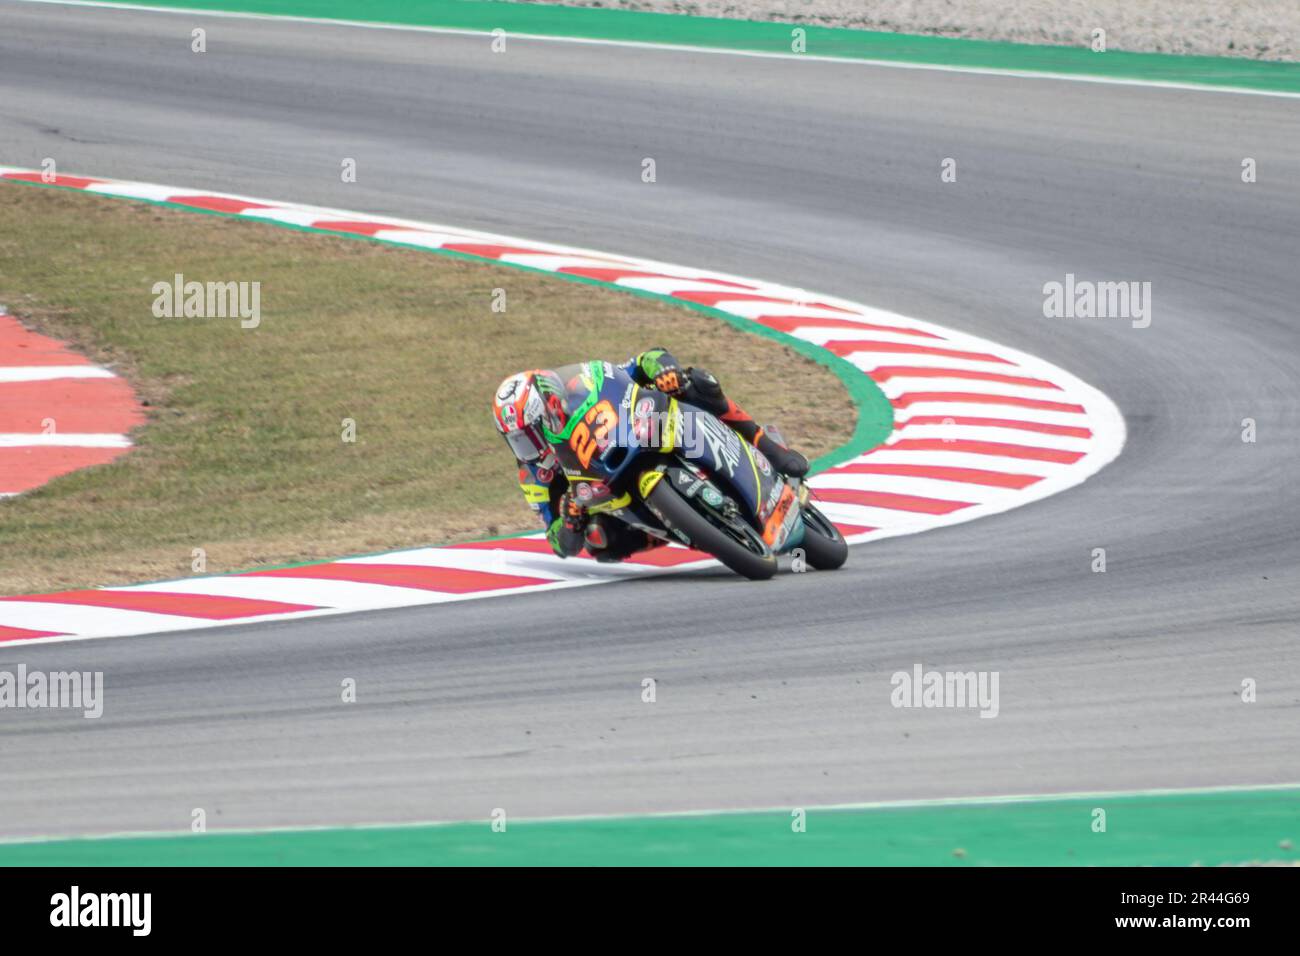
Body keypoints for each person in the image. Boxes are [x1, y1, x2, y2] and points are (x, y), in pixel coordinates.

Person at [491, 348, 808, 561]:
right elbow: (558, 544)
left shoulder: (581, 383)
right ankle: (689, 530)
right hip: (612, 498)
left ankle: (768, 446)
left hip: (635, 434)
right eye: (517, 440)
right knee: (599, 541)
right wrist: (569, 521)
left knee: (696, 382)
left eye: (531, 432)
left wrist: (663, 370)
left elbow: (644, 359)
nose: (529, 447)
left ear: (550, 406)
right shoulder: (532, 474)